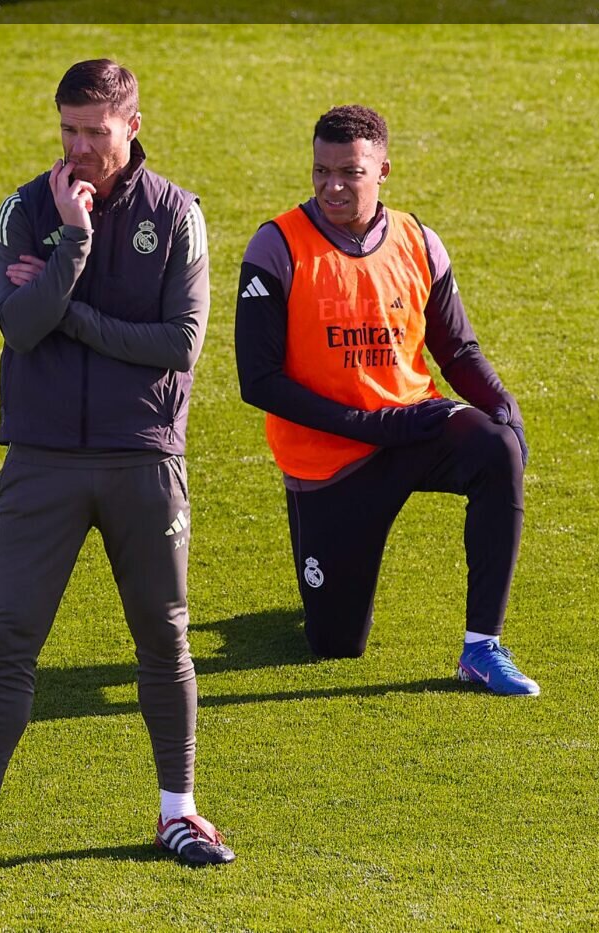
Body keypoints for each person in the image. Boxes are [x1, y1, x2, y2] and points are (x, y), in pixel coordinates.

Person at [0, 59, 233, 882]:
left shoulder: (178, 215)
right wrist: (74, 240)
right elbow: (19, 326)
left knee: (163, 636)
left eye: (94, 130)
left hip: (144, 456)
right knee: (10, 638)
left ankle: (179, 810)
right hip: (41, 460)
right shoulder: (25, 209)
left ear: (132, 125)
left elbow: (180, 344)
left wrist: (70, 306)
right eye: (67, 129)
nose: (78, 146)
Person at [234, 105, 540, 697]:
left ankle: (482, 648)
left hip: (415, 427)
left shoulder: (418, 241)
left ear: (382, 171)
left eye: (350, 172)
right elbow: (259, 381)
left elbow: (457, 350)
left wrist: (501, 401)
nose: (332, 187)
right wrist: (373, 426)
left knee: (496, 448)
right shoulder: (276, 246)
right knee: (335, 644)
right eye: (321, 171)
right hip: (331, 460)